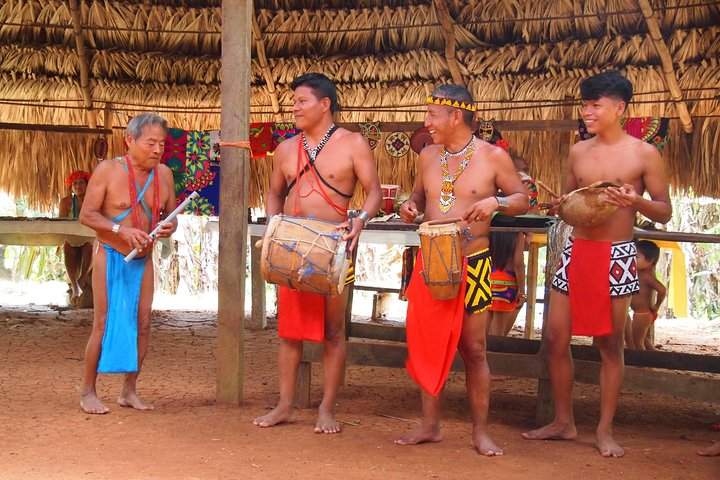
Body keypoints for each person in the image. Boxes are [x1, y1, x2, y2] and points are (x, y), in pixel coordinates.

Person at [522, 71, 672, 457]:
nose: (587, 111)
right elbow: (570, 203)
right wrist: (560, 206)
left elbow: (665, 212)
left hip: (617, 255)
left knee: (609, 345)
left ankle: (604, 430)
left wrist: (635, 202)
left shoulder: (644, 153)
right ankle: (564, 421)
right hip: (576, 251)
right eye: (585, 104)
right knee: (555, 339)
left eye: (595, 105)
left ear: (619, 108)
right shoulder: (578, 151)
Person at [397, 84, 529, 456]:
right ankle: (429, 426)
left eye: (432, 115)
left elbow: (522, 198)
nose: (427, 123)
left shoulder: (493, 157)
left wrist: (496, 202)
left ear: (456, 115)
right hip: (431, 262)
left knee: (474, 348)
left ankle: (480, 432)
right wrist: (409, 205)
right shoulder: (427, 155)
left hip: (475, 262)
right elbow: (419, 197)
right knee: (428, 343)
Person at [253, 73, 382, 434]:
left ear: (325, 104)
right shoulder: (284, 149)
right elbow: (274, 192)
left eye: (302, 100)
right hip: (292, 246)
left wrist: (361, 220)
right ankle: (285, 405)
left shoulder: (354, 143)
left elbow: (373, 193)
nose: (294, 106)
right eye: (293, 100)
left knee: (334, 332)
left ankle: (327, 408)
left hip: (334, 248)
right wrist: (273, 224)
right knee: (289, 333)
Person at [78, 113, 177, 414]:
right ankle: (88, 392)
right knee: (103, 323)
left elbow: (171, 217)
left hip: (143, 259)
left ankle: (129, 391)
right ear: (130, 140)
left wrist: (169, 227)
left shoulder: (165, 175)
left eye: (161, 143)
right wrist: (121, 230)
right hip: (109, 253)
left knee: (144, 325)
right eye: (150, 143)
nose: (157, 150)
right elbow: (87, 215)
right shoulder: (108, 170)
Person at [59, 171, 94, 307]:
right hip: (73, 238)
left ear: (87, 185)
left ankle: (81, 280)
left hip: (90, 237)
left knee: (89, 246)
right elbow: (61, 223)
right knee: (68, 246)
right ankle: (75, 285)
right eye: (74, 183)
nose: (78, 186)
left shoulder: (94, 200)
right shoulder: (66, 202)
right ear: (71, 187)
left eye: (81, 183)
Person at [628, 240, 666, 351]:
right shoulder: (642, 272)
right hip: (641, 313)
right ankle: (654, 359)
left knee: (637, 341)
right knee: (643, 339)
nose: (632, 260)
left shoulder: (647, 275)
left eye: (636, 257)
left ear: (649, 261)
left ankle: (643, 365)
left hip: (642, 314)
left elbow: (662, 290)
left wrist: (657, 305)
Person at [486, 230, 526, 337]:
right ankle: (494, 354)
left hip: (487, 280)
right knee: (498, 334)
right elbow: (518, 264)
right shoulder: (517, 235)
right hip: (506, 285)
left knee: (486, 334)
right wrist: (522, 292)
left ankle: (485, 353)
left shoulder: (490, 231)